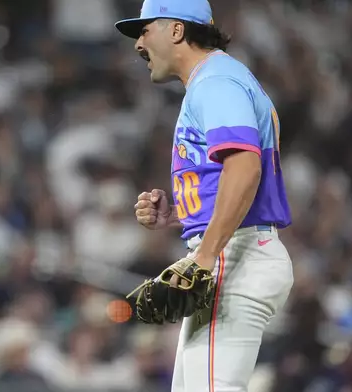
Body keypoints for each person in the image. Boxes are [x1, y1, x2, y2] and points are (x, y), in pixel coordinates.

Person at [115, 0, 294, 391]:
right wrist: (183, 212)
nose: (138, 44)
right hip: (237, 250)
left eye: (145, 29)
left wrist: (206, 256)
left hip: (235, 256)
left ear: (177, 30)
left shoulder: (215, 81)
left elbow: (246, 167)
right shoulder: (219, 79)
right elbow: (236, 177)